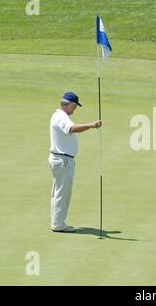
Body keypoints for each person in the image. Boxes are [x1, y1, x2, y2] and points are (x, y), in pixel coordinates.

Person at [49, 92, 102, 232]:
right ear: (70, 104)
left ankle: (57, 222)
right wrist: (91, 125)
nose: (75, 109)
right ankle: (58, 224)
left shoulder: (58, 116)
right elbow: (71, 129)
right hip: (63, 160)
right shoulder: (61, 117)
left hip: (60, 159)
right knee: (63, 193)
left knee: (58, 192)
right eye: (75, 106)